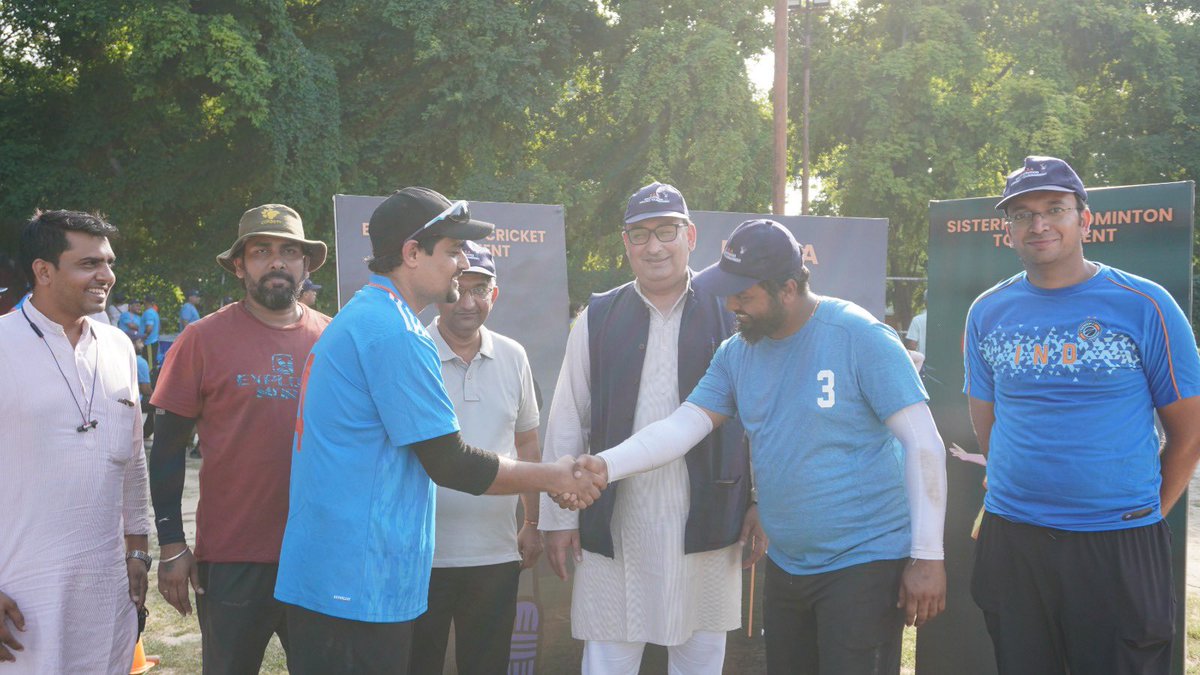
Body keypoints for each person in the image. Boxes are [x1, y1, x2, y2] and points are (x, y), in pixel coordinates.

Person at [569, 218, 948, 675]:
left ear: (788, 288)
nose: (731, 306)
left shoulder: (859, 336)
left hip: (863, 562)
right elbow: (681, 427)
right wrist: (605, 466)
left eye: (744, 296)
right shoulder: (737, 353)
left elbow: (924, 444)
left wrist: (928, 556)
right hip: (788, 566)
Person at [273, 187, 605, 675]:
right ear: (412, 253)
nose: (458, 263)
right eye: (451, 250)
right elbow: (451, 462)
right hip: (355, 586)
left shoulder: (371, 319)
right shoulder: (395, 334)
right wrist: (555, 477)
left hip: (345, 580)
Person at [964, 156, 1200, 674]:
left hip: (1116, 543)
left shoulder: (1145, 304)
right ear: (1008, 231)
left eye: (1054, 209)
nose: (1039, 224)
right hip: (1015, 540)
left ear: (1085, 220)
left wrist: (1145, 513)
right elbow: (989, 424)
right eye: (1022, 214)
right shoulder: (986, 311)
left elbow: (1188, 434)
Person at [540, 182, 761, 675]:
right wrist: (558, 521)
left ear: (692, 235)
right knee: (608, 659)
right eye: (639, 235)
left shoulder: (732, 312)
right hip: (617, 518)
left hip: (708, 515)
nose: (654, 246)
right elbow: (568, 418)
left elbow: (760, 418)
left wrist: (758, 501)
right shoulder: (597, 316)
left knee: (700, 659)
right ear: (625, 244)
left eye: (666, 231)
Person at [148, 204, 332, 673]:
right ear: (238, 265)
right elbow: (167, 447)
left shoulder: (334, 338)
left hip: (318, 553)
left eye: (290, 251)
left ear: (305, 265)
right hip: (232, 557)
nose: (276, 262)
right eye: (261, 251)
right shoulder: (202, 339)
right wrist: (171, 543)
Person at [0, 210, 152, 673]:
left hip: (108, 591)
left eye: (108, 262)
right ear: (43, 271)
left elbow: (132, 461)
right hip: (21, 594)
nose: (106, 275)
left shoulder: (118, 346)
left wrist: (139, 550)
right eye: (89, 264)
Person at [409, 241, 543, 674]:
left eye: (479, 289)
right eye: (457, 289)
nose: (467, 302)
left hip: (495, 555)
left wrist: (533, 522)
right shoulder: (410, 350)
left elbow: (527, 444)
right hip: (421, 555)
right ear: (439, 292)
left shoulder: (513, 355)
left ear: (494, 294)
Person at [139, 295, 160, 367]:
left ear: (145, 302)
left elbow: (149, 327)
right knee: (151, 362)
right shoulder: (153, 312)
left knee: (149, 365)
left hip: (149, 342)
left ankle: (150, 377)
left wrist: (143, 338)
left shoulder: (148, 313)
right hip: (152, 341)